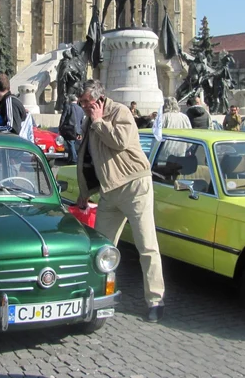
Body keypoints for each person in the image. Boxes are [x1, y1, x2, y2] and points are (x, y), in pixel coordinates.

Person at [75, 79, 165, 323]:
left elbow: (119, 142)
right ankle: (98, 295)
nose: (83, 106)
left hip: (135, 186)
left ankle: (155, 300)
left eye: (87, 102)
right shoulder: (88, 120)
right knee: (101, 247)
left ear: (100, 99)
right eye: (81, 102)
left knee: (146, 245)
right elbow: (89, 159)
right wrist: (85, 191)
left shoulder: (120, 112)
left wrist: (98, 122)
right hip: (109, 191)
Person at [59, 94, 84, 164]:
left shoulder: (68, 107)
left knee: (70, 144)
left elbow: (63, 118)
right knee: (72, 143)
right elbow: (82, 121)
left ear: (70, 100)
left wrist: (60, 127)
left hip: (69, 129)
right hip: (77, 130)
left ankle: (74, 159)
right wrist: (80, 131)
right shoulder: (80, 109)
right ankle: (70, 159)